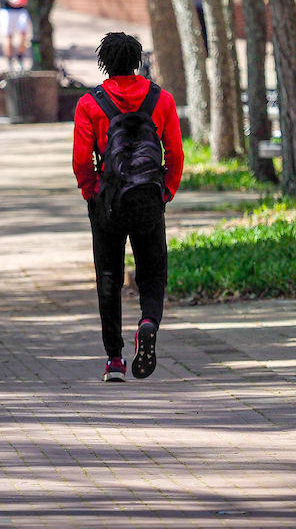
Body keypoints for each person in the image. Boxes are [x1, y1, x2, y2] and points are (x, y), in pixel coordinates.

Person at [72, 32, 184, 382]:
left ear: (104, 63)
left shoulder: (91, 104)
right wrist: (165, 191)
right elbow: (176, 154)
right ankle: (149, 320)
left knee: (109, 276)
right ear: (137, 61)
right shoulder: (161, 99)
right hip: (149, 198)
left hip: (108, 201)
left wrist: (92, 192)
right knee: (153, 271)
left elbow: (80, 160)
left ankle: (115, 359)